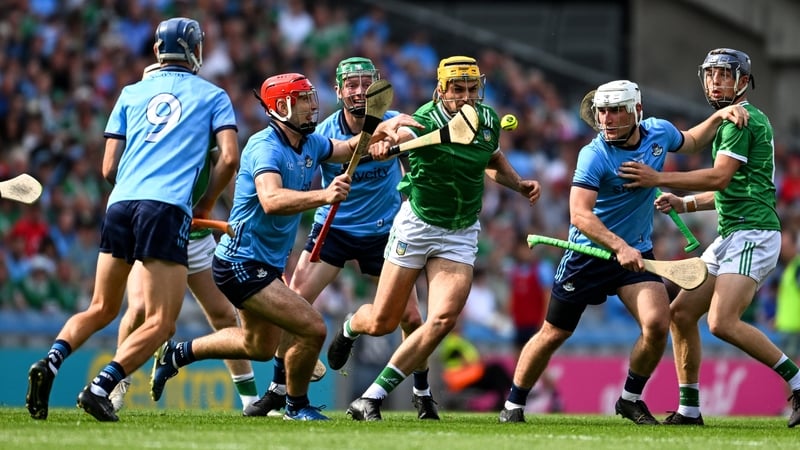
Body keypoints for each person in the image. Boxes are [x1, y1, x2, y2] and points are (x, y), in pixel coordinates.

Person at [147, 72, 421, 421]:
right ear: (282, 107)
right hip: (240, 263)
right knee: (313, 327)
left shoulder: (309, 143)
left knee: (257, 346)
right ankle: (296, 405)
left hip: (265, 263)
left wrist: (380, 130)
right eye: (304, 100)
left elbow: (346, 149)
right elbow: (272, 199)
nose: (313, 106)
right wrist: (324, 194)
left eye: (311, 98)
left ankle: (177, 354)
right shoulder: (265, 146)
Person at [25, 17, 240, 422]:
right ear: (196, 51)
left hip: (121, 203)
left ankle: (51, 361)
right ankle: (101, 387)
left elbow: (109, 168)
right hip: (166, 209)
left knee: (102, 306)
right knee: (162, 324)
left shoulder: (130, 92)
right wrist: (208, 201)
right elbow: (229, 157)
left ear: (158, 51)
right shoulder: (214, 96)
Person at [498, 79, 748, 425]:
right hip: (590, 255)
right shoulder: (594, 154)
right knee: (555, 332)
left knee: (658, 324)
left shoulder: (658, 132)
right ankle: (513, 404)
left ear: (637, 111)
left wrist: (720, 117)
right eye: (603, 111)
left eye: (616, 111)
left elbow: (690, 141)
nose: (608, 119)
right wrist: (618, 246)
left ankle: (630, 399)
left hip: (637, 254)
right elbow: (580, 215)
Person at [329, 55, 542, 421]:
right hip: (417, 226)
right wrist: (384, 142)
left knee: (441, 319)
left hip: (460, 233)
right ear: (440, 90)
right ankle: (350, 326)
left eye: (472, 89)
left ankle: (371, 398)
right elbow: (399, 134)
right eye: (457, 89)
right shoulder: (423, 121)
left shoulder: (488, 120)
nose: (465, 96)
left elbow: (492, 159)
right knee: (382, 322)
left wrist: (518, 184)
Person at [244, 57, 437, 419]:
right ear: (338, 91)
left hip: (384, 231)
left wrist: (392, 139)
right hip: (333, 227)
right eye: (352, 84)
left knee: (410, 316)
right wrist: (367, 147)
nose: (360, 91)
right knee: (295, 303)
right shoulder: (321, 131)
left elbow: (409, 135)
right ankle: (277, 389)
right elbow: (311, 161)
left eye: (367, 83)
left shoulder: (391, 118)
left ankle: (422, 392)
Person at [619, 48, 800, 427]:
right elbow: (728, 189)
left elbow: (718, 178)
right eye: (711, 74)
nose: (716, 81)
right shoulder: (726, 121)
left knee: (721, 321)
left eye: (725, 74)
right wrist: (684, 204)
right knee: (680, 315)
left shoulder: (740, 122)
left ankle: (798, 383)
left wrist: (657, 178)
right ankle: (689, 410)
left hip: (754, 232)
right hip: (732, 232)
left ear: (744, 81)